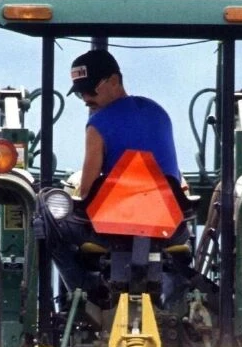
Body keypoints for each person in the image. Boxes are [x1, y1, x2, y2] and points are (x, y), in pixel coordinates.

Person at [37, 48, 190, 306]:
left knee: (46, 214)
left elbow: (86, 191)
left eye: (91, 91)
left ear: (115, 81)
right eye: (80, 93)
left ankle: (85, 293)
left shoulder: (97, 125)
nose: (86, 99)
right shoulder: (159, 113)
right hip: (169, 229)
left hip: (113, 233)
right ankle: (176, 299)